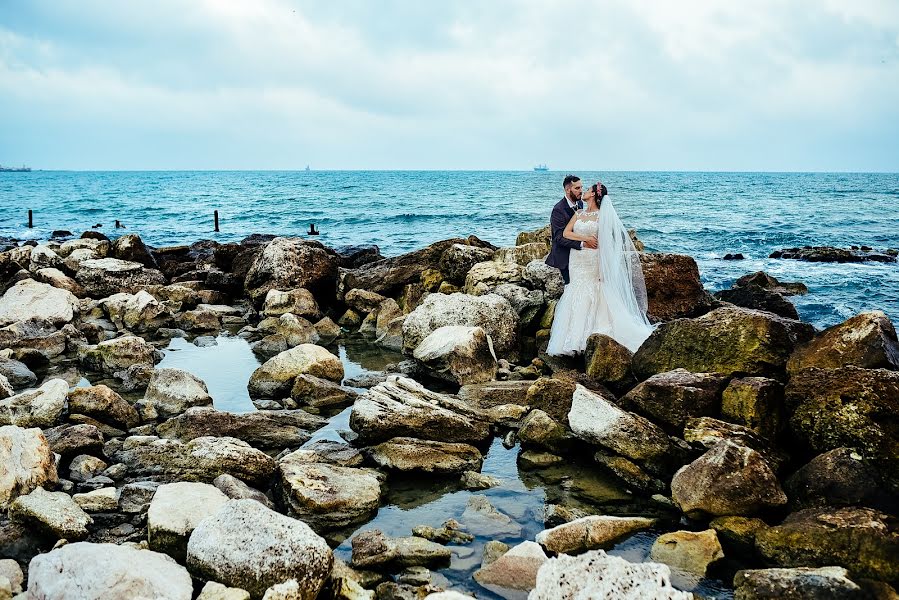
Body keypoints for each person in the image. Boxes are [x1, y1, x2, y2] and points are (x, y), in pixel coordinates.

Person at [546, 182, 654, 355]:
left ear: (595, 195)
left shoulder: (602, 216)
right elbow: (565, 233)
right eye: (581, 189)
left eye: (587, 190)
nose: (584, 191)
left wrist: (604, 269)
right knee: (576, 291)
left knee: (595, 291)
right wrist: (585, 238)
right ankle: (572, 340)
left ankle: (593, 336)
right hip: (577, 259)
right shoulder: (579, 212)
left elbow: (606, 244)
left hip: (592, 259)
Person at [545, 175, 597, 285]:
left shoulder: (580, 204)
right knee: (573, 287)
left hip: (582, 255)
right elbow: (559, 238)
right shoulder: (558, 210)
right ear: (568, 190)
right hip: (564, 256)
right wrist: (583, 243)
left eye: (581, 187)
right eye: (577, 188)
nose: (581, 191)